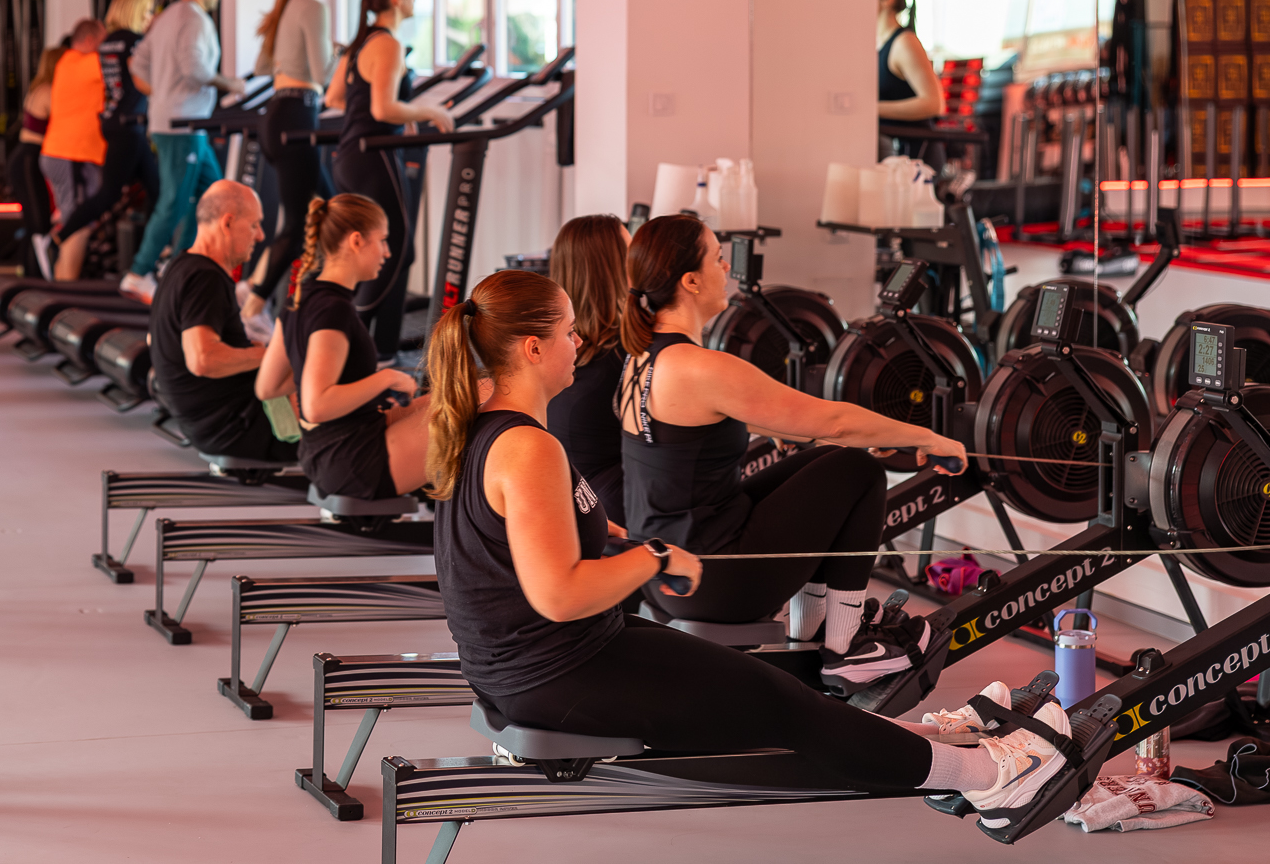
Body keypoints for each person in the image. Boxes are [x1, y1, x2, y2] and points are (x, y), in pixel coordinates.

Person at [425, 268, 1082, 822]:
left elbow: (521, 546)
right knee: (782, 709)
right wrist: (653, 556)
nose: (578, 342)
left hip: (550, 662)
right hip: (556, 673)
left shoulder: (489, 432)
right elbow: (560, 595)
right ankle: (989, 777)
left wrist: (619, 538)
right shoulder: (528, 447)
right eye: (568, 331)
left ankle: (931, 737)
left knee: (780, 693)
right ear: (532, 349)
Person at [616, 214, 966, 689]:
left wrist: (866, 435)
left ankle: (812, 630)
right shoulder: (700, 367)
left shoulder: (641, 360)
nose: (727, 268)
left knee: (825, 461)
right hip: (713, 580)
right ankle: (846, 649)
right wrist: (928, 438)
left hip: (667, 572)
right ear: (691, 281)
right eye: (717, 257)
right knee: (857, 469)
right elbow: (833, 421)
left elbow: (773, 423)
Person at [257, 192, 432, 499]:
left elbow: (267, 387)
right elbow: (317, 405)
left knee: (465, 394)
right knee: (473, 411)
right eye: (382, 240)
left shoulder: (300, 297)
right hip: (352, 459)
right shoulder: (333, 310)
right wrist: (386, 378)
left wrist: (322, 382)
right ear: (356, 241)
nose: (387, 252)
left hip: (326, 451)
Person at [327, 0, 453, 360]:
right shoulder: (388, 44)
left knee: (370, 251)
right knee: (397, 252)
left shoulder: (361, 42)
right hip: (375, 157)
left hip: (350, 157)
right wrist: (427, 112)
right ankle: (356, 338)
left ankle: (376, 349)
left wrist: (398, 115)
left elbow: (335, 97)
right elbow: (383, 108)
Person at [146, 179, 298, 462]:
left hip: (215, 423)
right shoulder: (206, 278)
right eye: (254, 225)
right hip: (238, 428)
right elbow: (203, 359)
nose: (260, 236)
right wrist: (270, 355)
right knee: (357, 427)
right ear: (227, 223)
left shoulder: (181, 266)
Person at [123, 0, 247, 301]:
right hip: (182, 125)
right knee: (174, 202)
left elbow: (137, 62)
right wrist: (230, 84)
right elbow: (194, 68)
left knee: (213, 197)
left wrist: (160, 92)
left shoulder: (166, 18)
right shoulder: (194, 18)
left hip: (182, 122)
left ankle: (179, 267)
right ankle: (138, 273)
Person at [246, 0, 338, 322]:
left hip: (279, 114)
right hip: (297, 115)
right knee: (302, 224)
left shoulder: (287, 4)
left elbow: (263, 67)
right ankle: (254, 305)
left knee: (330, 211)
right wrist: (345, 54)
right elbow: (324, 74)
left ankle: (259, 290)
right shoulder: (313, 6)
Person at [57, 0, 160, 273]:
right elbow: (142, 78)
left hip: (116, 122)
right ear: (134, 10)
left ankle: (151, 255)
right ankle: (59, 237)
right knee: (110, 194)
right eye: (146, 11)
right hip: (129, 126)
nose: (150, 17)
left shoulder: (108, 42)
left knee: (157, 190)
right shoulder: (134, 42)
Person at [543, 214, 632, 524]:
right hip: (613, 509)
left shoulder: (558, 351)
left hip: (575, 504)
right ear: (613, 269)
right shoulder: (625, 353)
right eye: (631, 254)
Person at [41, 19, 109, 280]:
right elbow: (124, 67)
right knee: (79, 225)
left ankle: (61, 284)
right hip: (73, 154)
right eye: (104, 43)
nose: (106, 49)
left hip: (62, 152)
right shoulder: (87, 63)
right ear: (90, 41)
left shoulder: (66, 62)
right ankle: (65, 291)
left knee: (75, 221)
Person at [9, 47, 63, 277]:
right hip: (29, 159)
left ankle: (30, 272)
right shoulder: (48, 91)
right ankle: (40, 275)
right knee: (39, 223)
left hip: (25, 157)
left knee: (35, 222)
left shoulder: (38, 88)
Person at [879, 0, 944, 123]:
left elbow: (934, 104)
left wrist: (869, 109)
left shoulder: (904, 43)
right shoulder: (878, 43)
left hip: (905, 139)